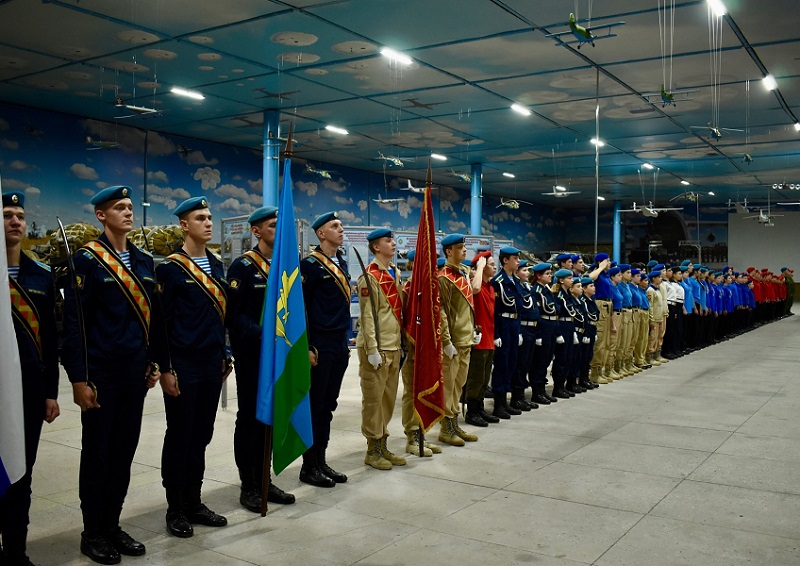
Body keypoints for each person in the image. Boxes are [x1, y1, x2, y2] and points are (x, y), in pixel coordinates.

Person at [62, 186, 158, 565]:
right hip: (101, 375)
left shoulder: (143, 261)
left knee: (123, 453)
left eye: (131, 207)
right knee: (98, 455)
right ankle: (93, 532)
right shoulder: (87, 260)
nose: (128, 213)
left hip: (134, 375)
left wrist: (152, 363)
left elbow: (154, 320)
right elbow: (74, 325)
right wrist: (78, 378)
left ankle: (113, 524)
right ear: (101, 216)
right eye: (120, 208)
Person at [153, 197, 230, 538]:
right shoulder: (170, 269)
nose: (208, 222)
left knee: (201, 434)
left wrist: (225, 353)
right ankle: (175, 508)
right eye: (201, 218)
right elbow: (161, 324)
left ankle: (194, 501)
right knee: (180, 434)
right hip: (183, 364)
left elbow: (221, 318)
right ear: (185, 225)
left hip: (211, 364)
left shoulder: (217, 266)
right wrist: (166, 368)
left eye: (210, 217)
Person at [1, 192, 60, 566]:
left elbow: (51, 341)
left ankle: (16, 550)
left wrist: (52, 393)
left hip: (28, 393)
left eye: (20, 215)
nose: (16, 221)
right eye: (7, 215)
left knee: (21, 473)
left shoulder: (41, 276)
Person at [226, 206, 295, 512]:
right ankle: (249, 484)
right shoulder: (243, 267)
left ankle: (265, 478)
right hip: (253, 356)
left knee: (272, 417)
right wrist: (264, 335)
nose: (278, 230)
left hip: (279, 358)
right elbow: (235, 316)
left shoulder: (283, 267)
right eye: (272, 226)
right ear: (256, 231)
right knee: (252, 419)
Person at [299, 211, 352, 484]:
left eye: (341, 225)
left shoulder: (340, 260)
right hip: (319, 343)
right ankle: (309, 466)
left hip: (339, 342)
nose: (340, 229)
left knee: (328, 405)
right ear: (321, 233)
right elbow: (302, 309)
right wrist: (307, 346)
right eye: (335, 226)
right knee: (316, 406)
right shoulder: (310, 265)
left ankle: (321, 460)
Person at [356, 228, 406, 470]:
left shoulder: (392, 273)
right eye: (388, 241)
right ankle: (372, 449)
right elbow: (367, 316)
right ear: (377, 247)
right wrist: (372, 349)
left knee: (387, 400)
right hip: (377, 349)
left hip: (393, 346)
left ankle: (383, 443)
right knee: (374, 401)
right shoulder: (369, 277)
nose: (394, 243)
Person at [438, 234, 480, 446]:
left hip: (466, 338)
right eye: (460, 248)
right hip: (454, 341)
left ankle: (454, 424)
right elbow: (442, 311)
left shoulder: (463, 273)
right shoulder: (444, 277)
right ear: (448, 251)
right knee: (450, 386)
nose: (465, 251)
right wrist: (446, 341)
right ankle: (446, 428)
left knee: (459, 384)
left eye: (464, 247)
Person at [400, 249, 443, 456]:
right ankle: (412, 436)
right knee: (411, 393)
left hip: (428, 352)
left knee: (426, 389)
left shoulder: (431, 291)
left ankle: (422, 433)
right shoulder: (409, 290)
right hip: (413, 352)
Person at [464, 251, 500, 426]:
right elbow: (475, 288)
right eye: (491, 264)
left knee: (485, 379)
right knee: (475, 379)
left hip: (489, 338)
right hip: (478, 340)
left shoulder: (491, 287)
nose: (495, 267)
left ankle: (479, 409)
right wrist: (479, 266)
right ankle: (471, 412)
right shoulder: (474, 284)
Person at [490, 246, 524, 418]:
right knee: (502, 365)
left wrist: (518, 331)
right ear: (505, 260)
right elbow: (494, 311)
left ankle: (505, 401)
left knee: (511, 363)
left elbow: (518, 307)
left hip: (513, 325)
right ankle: (498, 404)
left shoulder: (515, 281)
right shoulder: (498, 282)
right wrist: (495, 335)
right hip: (503, 325)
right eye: (515, 259)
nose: (518, 262)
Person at [511, 260, 539, 411]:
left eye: (528, 270)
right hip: (523, 329)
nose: (527, 273)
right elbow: (519, 312)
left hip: (532, 330)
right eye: (524, 270)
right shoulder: (517, 289)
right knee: (520, 366)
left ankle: (521, 396)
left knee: (527, 364)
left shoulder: (527, 288)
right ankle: (517, 397)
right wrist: (520, 332)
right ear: (516, 273)